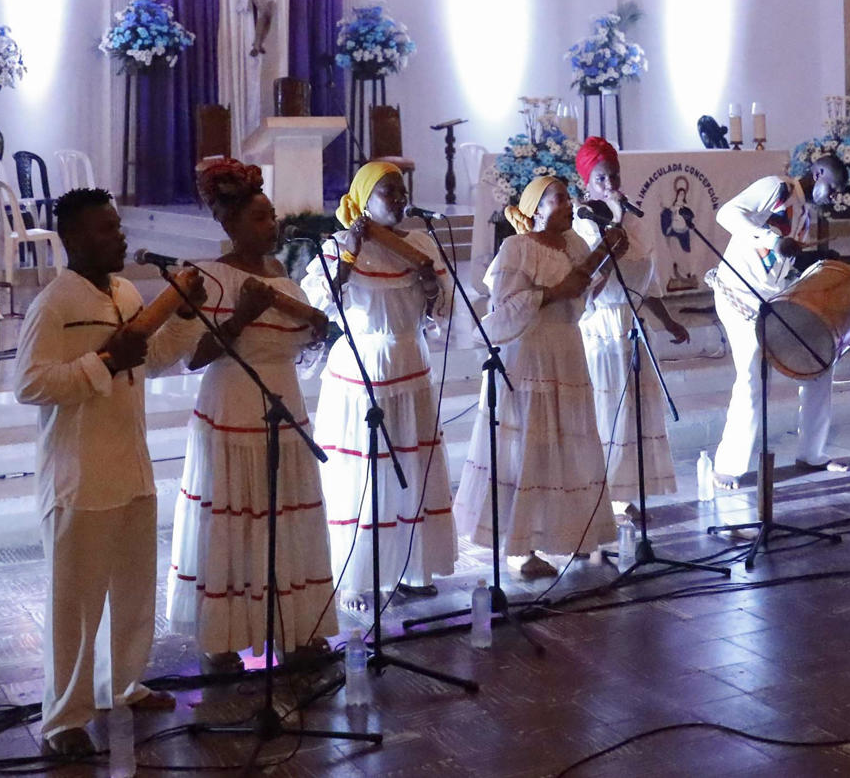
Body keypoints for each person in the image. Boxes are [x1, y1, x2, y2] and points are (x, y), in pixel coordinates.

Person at [14, 188, 205, 758]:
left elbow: (157, 354)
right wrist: (101, 363)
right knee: (75, 606)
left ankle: (121, 683)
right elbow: (30, 384)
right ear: (73, 238)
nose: (119, 237)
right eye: (105, 229)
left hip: (131, 466)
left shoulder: (125, 292)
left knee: (132, 591)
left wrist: (185, 315)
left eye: (118, 226)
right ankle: (64, 719)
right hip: (79, 476)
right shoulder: (53, 304)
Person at [167, 159, 335, 674]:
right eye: (261, 218)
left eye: (273, 215)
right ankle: (224, 638)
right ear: (229, 224)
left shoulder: (282, 274)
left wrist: (308, 316)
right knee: (236, 518)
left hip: (284, 402)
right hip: (233, 407)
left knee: (285, 516)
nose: (273, 225)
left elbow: (315, 334)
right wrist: (243, 313)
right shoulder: (209, 277)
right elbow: (193, 357)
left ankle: (295, 629)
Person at [305, 161, 457, 612]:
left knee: (409, 462)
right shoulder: (340, 245)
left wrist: (431, 287)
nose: (398, 198)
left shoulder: (421, 243)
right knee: (364, 473)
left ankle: (411, 567)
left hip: (411, 361)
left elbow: (441, 311)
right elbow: (317, 307)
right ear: (363, 201)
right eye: (387, 191)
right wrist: (349, 256)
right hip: (363, 367)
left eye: (400, 189)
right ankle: (355, 577)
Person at [454, 177, 619, 578]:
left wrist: (606, 258)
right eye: (558, 199)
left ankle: (573, 533)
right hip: (529, 355)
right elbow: (505, 307)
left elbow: (585, 297)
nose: (567, 205)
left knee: (569, 441)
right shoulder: (517, 248)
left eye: (568, 197)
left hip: (566, 349)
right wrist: (558, 290)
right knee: (528, 446)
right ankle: (521, 549)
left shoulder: (576, 245)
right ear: (536, 208)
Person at [708, 155, 848, 490]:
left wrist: (818, 260)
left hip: (773, 300)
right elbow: (726, 214)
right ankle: (728, 465)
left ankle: (811, 452)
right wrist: (773, 240)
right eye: (833, 188)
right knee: (753, 375)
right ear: (817, 173)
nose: (833, 197)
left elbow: (784, 264)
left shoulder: (804, 216)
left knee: (819, 361)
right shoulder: (777, 188)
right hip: (738, 293)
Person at [571, 138, 691, 515]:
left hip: (634, 323)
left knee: (634, 413)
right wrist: (615, 219)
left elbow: (647, 276)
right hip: (602, 327)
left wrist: (667, 320)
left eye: (614, 177)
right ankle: (598, 491)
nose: (610, 186)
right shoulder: (583, 221)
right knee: (608, 410)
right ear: (587, 184)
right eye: (602, 179)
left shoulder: (636, 219)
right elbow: (594, 281)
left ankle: (625, 491)